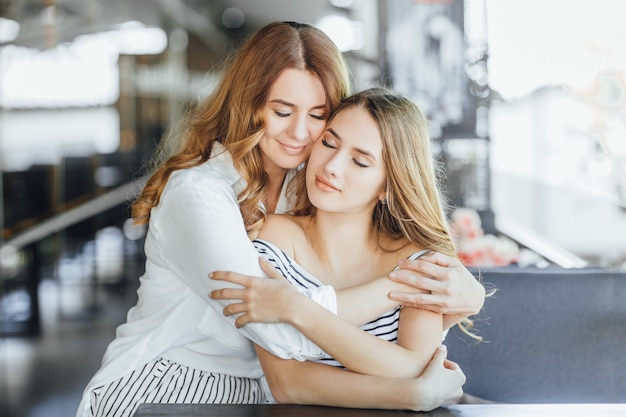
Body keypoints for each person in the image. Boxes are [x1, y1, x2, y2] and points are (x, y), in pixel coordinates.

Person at [77, 22, 483, 417]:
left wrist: (467, 299)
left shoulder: (304, 189)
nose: (300, 133)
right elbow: (283, 333)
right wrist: (407, 285)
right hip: (165, 384)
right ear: (249, 105)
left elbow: (311, 334)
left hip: (256, 394)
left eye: (318, 116)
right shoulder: (198, 194)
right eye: (283, 111)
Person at [210, 88, 472, 408]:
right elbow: (285, 383)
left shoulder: (420, 260)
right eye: (329, 143)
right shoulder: (274, 234)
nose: (332, 165)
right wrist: (411, 392)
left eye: (360, 161)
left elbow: (417, 367)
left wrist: (298, 308)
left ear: (389, 187)